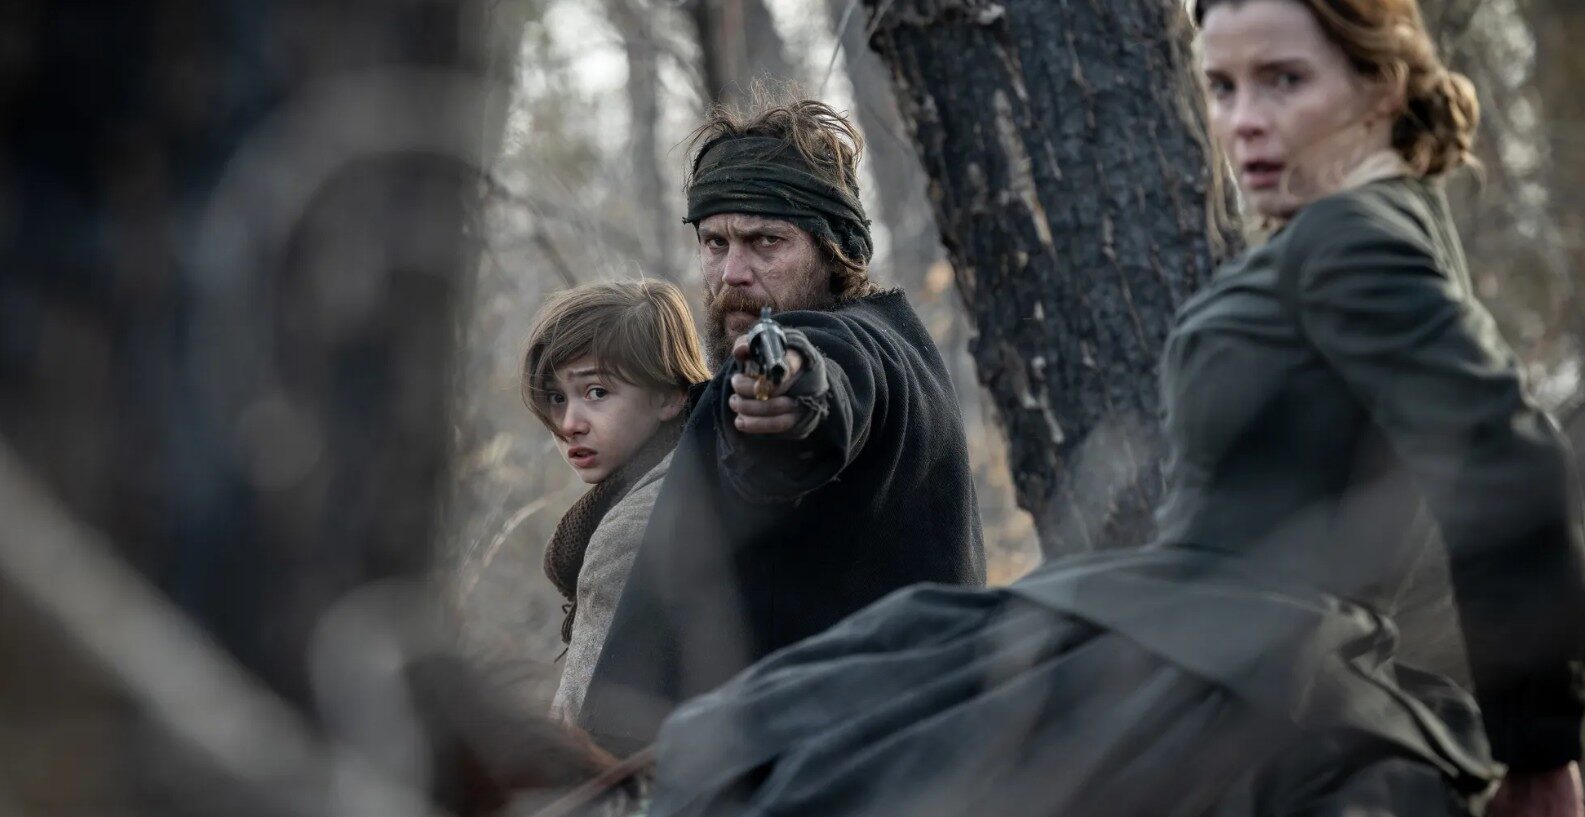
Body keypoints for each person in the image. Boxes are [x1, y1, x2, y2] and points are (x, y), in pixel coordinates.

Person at [640, 2, 1585, 815]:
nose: (1244, 122)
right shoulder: (1378, 225)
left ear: (1379, 87)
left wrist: (1539, 748)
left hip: (1217, 661)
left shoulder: (1354, 242)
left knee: (773, 748)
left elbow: (1505, 463)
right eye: (1222, 88)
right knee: (788, 725)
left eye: (1283, 81)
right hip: (1196, 640)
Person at [577, 98, 987, 752]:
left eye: (766, 242)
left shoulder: (860, 349)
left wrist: (795, 396)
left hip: (835, 771)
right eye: (715, 243)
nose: (732, 273)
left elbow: (828, 388)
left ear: (833, 249)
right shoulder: (900, 344)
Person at [520, 280, 710, 722]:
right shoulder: (700, 473)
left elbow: (582, 729)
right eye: (556, 398)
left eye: (596, 393)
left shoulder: (633, 528)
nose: (569, 424)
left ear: (669, 395)